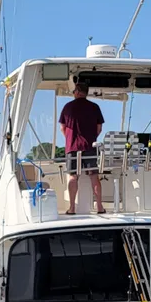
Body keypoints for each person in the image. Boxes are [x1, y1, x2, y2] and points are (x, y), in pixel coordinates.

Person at [58, 82, 106, 214]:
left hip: (72, 147)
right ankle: (100, 207)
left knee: (73, 177)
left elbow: (62, 127)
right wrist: (91, 138)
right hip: (90, 147)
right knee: (94, 177)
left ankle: (72, 208)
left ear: (78, 92)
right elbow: (99, 128)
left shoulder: (67, 107)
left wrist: (69, 138)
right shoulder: (94, 107)